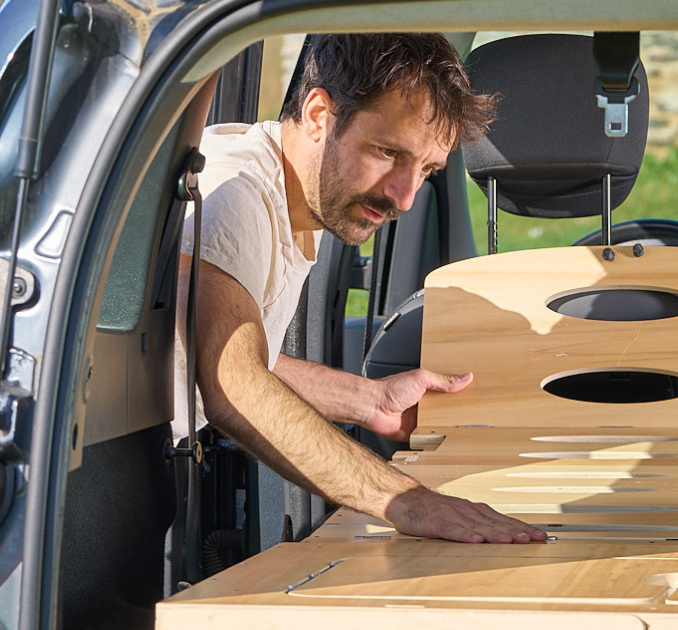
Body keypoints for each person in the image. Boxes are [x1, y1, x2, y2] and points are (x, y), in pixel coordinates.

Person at [174, 33, 546, 545]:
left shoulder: (297, 195)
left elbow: (234, 350)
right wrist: (406, 500)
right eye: (388, 152)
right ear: (319, 114)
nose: (407, 197)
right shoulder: (236, 195)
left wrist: (369, 402)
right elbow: (232, 384)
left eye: (427, 170)